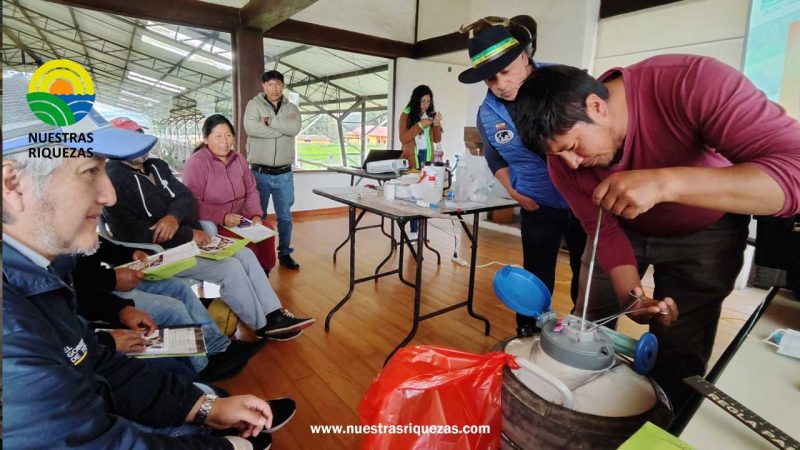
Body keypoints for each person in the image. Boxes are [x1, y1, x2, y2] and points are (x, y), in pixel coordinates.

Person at [512, 54, 800, 414]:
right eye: (558, 155)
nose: (571, 163)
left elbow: (795, 174)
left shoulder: (692, 83)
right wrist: (632, 297)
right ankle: (582, 412)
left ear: (597, 107)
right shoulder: (564, 162)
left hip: (706, 232)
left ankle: (665, 425)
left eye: (572, 147)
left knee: (679, 349)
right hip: (619, 230)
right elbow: (602, 231)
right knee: (583, 328)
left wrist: (665, 182)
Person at [2, 113, 284, 449]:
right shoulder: (12, 326)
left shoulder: (43, 274)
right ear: (13, 184)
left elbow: (94, 360)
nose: (109, 195)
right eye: (90, 171)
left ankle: (233, 360)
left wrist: (205, 407)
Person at [102, 152, 315, 340]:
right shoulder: (113, 177)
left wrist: (173, 217)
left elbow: (186, 197)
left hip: (191, 238)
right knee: (230, 268)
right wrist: (187, 233)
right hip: (162, 254)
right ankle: (261, 326)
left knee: (246, 255)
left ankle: (274, 313)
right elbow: (134, 231)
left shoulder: (157, 165)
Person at [458, 24, 587, 336]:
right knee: (536, 278)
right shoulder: (487, 112)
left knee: (586, 278)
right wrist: (511, 188)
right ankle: (527, 335)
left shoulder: (565, 82)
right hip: (536, 204)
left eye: (507, 71)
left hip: (585, 204)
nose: (501, 84)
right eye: (491, 78)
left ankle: (584, 334)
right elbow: (494, 156)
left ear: (525, 58)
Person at [73, 236, 261, 381]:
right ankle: (203, 367)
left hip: (105, 281)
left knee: (179, 287)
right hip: (94, 297)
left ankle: (218, 346)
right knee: (173, 309)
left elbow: (99, 246)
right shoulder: (55, 238)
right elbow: (74, 287)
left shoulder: (79, 219)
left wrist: (129, 254)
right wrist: (112, 282)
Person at [183, 114, 276, 273]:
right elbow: (192, 202)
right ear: (206, 139)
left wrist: (255, 215)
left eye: (228, 135)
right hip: (215, 223)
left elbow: (251, 190)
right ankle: (248, 277)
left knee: (266, 230)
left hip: (241, 219)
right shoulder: (197, 163)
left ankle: (262, 272)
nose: (225, 142)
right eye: (218, 136)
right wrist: (223, 217)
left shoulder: (238, 158)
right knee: (246, 244)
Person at [244, 70, 302, 270]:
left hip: (284, 173)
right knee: (258, 216)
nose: (274, 88)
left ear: (283, 86)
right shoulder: (253, 105)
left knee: (285, 217)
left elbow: (294, 129)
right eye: (270, 84)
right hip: (259, 172)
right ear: (264, 86)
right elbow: (251, 128)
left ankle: (285, 253)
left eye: (278, 84)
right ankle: (260, 257)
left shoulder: (292, 107)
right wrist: (280, 131)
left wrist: (268, 121)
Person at [398, 84, 443, 239]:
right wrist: (419, 125)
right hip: (412, 161)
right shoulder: (406, 115)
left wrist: (436, 125)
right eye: (423, 101)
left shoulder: (430, 115)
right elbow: (403, 138)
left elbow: (436, 139)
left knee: (423, 197)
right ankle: (411, 231)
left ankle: (418, 232)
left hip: (427, 161)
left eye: (428, 102)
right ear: (416, 100)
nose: (425, 105)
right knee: (412, 197)